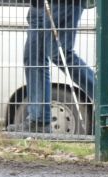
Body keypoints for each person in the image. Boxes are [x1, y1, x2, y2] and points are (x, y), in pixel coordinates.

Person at [7, 0, 95, 133]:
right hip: (38, 6)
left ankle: (107, 97)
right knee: (33, 56)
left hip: (63, 3)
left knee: (59, 53)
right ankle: (39, 121)